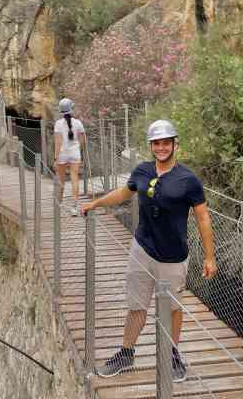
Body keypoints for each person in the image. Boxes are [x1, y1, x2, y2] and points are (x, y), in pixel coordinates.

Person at [80, 120, 217, 381]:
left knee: (173, 309)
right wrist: (95, 203)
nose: (162, 147)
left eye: (166, 142)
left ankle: (172, 354)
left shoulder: (188, 180)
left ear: (175, 144)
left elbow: (202, 218)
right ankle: (126, 353)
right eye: (157, 143)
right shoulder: (142, 171)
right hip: (142, 249)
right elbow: (123, 193)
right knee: (136, 306)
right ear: (151, 146)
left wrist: (210, 256)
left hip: (173, 256)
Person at [54, 98, 86, 217]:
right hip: (74, 153)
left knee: (61, 179)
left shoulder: (58, 124)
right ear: (71, 109)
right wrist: (79, 149)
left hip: (62, 153)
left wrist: (56, 158)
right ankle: (74, 207)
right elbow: (83, 139)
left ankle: (59, 203)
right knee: (75, 179)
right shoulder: (78, 123)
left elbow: (58, 142)